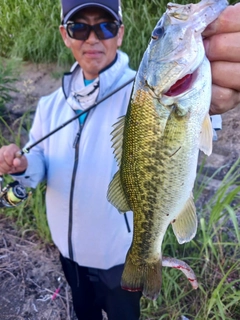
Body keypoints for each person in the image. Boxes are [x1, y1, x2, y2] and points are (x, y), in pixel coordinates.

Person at [0, 1, 239, 319]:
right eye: (79, 28)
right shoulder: (49, 105)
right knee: (82, 311)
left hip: (120, 257)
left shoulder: (141, 92)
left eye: (105, 26)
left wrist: (212, 99)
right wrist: (26, 167)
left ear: (121, 33)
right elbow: (42, 160)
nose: (93, 38)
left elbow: (199, 122)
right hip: (69, 255)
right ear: (64, 35)